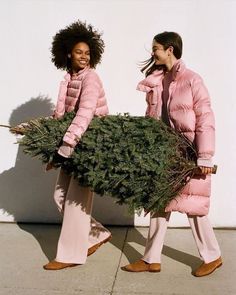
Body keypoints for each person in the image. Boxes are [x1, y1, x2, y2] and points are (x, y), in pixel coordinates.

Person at [122, 32, 222, 276]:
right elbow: (153, 118)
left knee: (194, 206)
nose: (152, 53)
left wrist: (205, 156)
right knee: (159, 202)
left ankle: (213, 256)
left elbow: (205, 119)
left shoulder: (191, 80)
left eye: (155, 48)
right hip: (163, 153)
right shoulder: (157, 81)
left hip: (188, 153)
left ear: (169, 49)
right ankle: (150, 259)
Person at [43, 20, 111, 270]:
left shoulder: (90, 78)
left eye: (87, 53)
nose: (84, 56)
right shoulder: (69, 78)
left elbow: (85, 113)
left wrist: (67, 145)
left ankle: (69, 256)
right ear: (68, 53)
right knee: (60, 195)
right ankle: (97, 235)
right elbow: (62, 114)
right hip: (74, 143)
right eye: (79, 52)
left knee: (74, 201)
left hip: (88, 145)